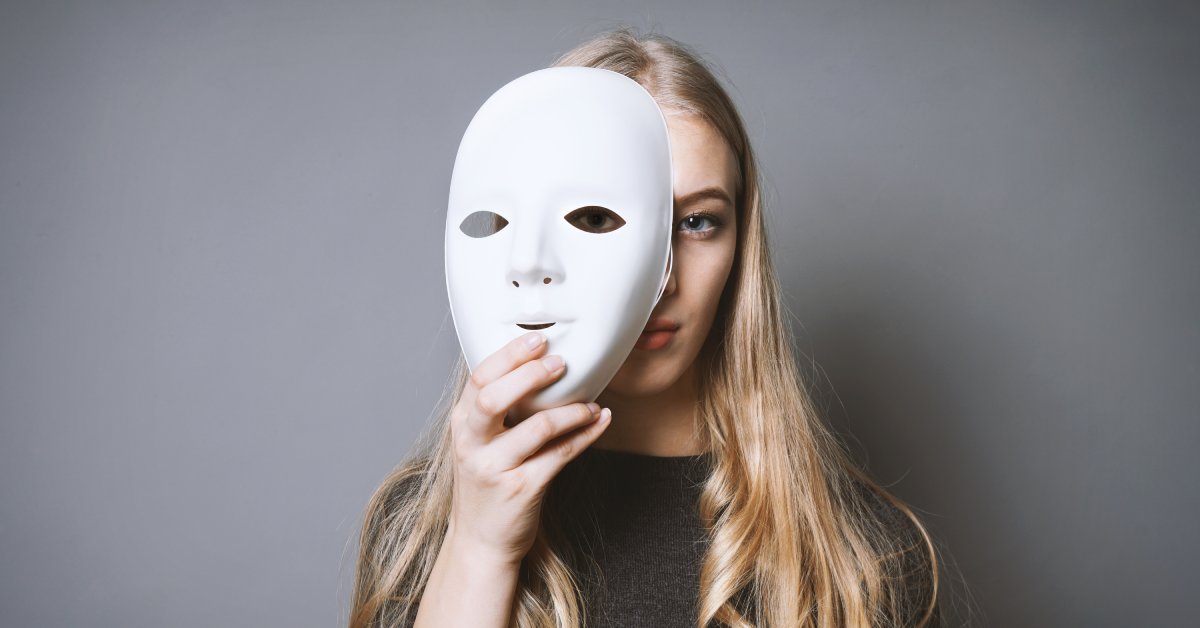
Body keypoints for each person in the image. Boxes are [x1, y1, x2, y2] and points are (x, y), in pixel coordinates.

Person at [350, 28, 940, 628]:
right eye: (597, 217)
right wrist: (479, 550)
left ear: (741, 246)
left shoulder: (865, 558)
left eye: (696, 222)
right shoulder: (418, 535)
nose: (660, 279)